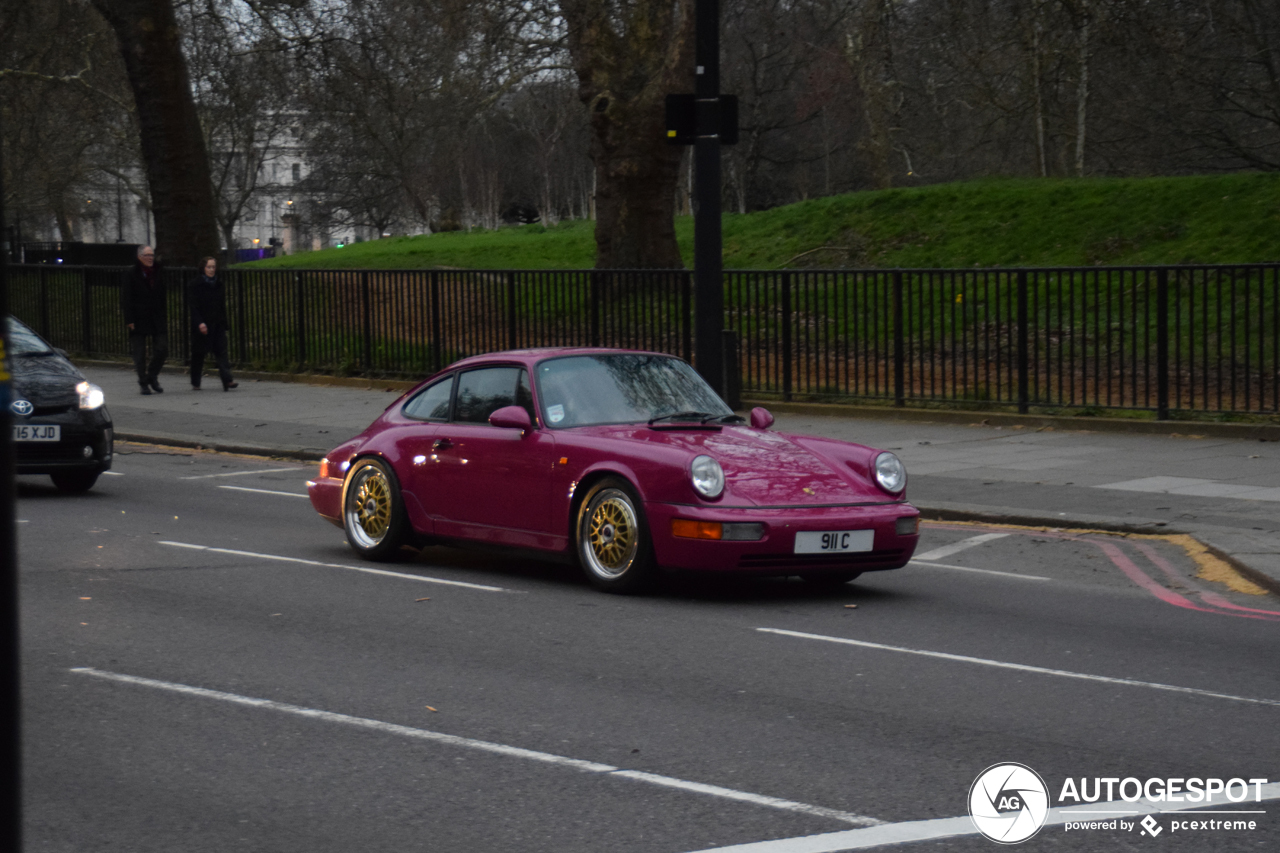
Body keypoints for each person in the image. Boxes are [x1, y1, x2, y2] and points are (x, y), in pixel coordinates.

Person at [120, 244, 168, 394]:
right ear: (140, 257)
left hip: (156, 316)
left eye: (152, 255)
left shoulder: (158, 271)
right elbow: (126, 298)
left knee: (162, 348)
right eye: (147, 255)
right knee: (139, 353)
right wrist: (129, 319)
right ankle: (143, 383)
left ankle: (152, 376)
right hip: (138, 316)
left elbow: (162, 293)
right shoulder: (131, 273)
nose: (150, 258)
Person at [186, 256, 238, 391]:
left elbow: (221, 306)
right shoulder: (195, 285)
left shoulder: (219, 284)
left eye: (213, 267)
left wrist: (224, 322)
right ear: (203, 268)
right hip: (202, 323)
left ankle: (227, 380)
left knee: (221, 352)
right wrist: (199, 323)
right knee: (198, 353)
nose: (211, 270)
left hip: (217, 322)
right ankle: (196, 381)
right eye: (209, 267)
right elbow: (193, 307)